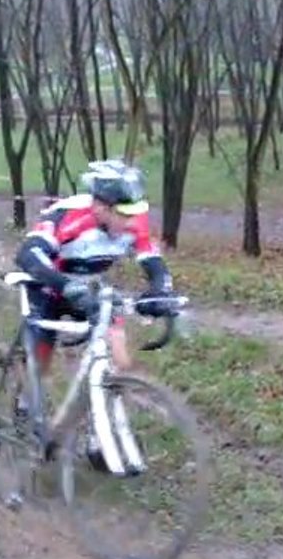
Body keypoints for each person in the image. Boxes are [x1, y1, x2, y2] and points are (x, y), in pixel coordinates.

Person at [14, 159, 175, 463]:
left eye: (135, 213)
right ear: (100, 207)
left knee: (119, 357)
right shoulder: (69, 217)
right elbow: (28, 254)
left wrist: (161, 291)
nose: (131, 222)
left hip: (89, 289)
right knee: (40, 364)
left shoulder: (132, 218)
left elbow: (151, 260)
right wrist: (63, 284)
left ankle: (99, 437)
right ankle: (25, 407)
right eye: (123, 215)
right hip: (48, 287)